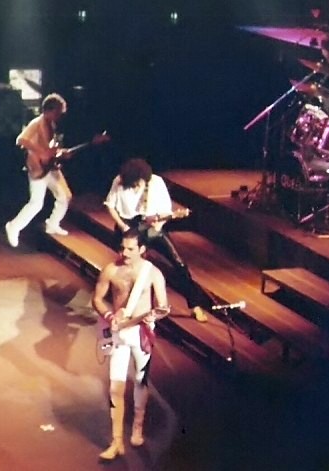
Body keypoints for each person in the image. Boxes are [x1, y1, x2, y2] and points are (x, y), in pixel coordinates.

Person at [92, 227, 169, 460]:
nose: (124, 252)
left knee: (140, 380)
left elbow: (163, 305)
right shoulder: (111, 270)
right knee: (115, 387)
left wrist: (154, 315)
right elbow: (97, 299)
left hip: (141, 333)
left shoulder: (152, 273)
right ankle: (116, 442)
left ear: (142, 249)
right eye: (122, 247)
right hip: (119, 333)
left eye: (130, 249)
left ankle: (137, 427)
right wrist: (109, 316)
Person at [104, 157, 212, 322]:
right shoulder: (119, 181)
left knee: (179, 263)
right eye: (132, 184)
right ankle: (121, 301)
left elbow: (165, 211)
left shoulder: (156, 183)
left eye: (137, 183)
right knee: (127, 265)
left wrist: (158, 226)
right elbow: (110, 205)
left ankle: (194, 305)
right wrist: (123, 227)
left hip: (152, 229)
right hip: (127, 228)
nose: (135, 187)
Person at [5, 93, 72, 247]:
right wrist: (41, 151)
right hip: (37, 167)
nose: (60, 115)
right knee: (36, 203)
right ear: (50, 110)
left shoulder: (52, 125)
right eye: (58, 112)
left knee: (65, 196)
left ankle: (53, 223)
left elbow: (51, 148)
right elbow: (21, 139)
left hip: (50, 166)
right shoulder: (36, 123)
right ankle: (13, 226)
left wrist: (59, 152)